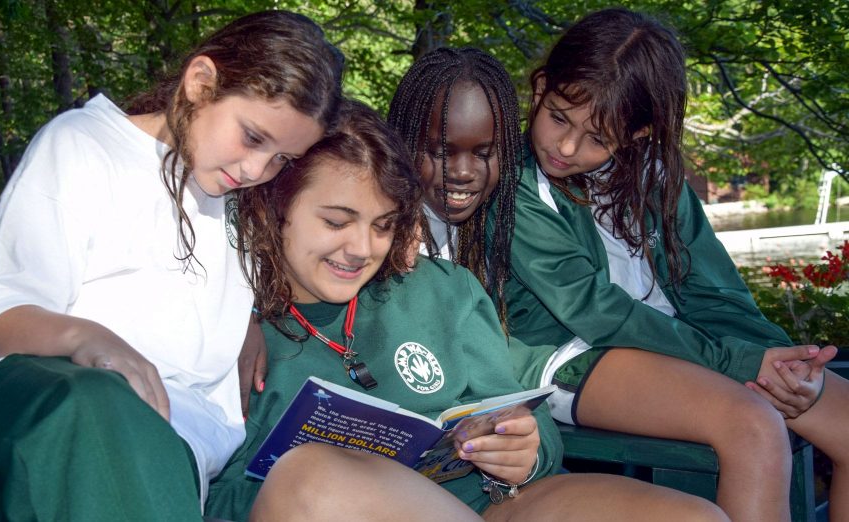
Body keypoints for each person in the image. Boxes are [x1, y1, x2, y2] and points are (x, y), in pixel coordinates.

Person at [204, 99, 727, 522]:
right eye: (337, 221)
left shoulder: (442, 291)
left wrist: (524, 450)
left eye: (384, 225)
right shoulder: (231, 326)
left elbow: (528, 422)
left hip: (493, 502)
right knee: (312, 477)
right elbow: (212, 499)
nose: (362, 248)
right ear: (276, 209)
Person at [0, 10, 342, 521]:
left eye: (282, 158)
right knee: (100, 407)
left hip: (163, 438)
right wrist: (89, 339)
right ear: (200, 83)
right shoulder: (85, 144)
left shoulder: (240, 199)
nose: (256, 169)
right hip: (43, 407)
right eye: (253, 137)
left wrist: (247, 318)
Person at [504, 7, 848, 520]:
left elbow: (712, 291)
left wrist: (779, 360)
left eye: (598, 138)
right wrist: (735, 363)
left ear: (637, 134)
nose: (567, 146)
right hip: (567, 351)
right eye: (558, 117)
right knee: (752, 425)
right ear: (540, 88)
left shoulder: (654, 176)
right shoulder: (515, 183)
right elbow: (598, 312)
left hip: (676, 342)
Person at [387, 47, 520, 327]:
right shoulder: (382, 234)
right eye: (440, 152)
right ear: (405, 140)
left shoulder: (493, 227)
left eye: (483, 154)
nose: (462, 172)